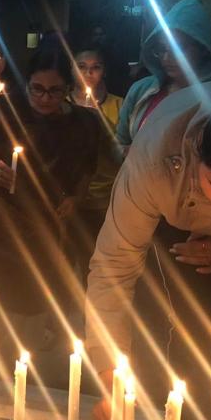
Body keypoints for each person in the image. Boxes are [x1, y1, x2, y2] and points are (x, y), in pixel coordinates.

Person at [87, 74, 211, 420]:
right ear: (197, 152)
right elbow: (114, 265)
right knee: (176, 347)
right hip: (179, 241)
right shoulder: (155, 160)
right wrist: (111, 380)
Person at [0, 42, 100, 346]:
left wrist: (75, 199)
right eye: (37, 89)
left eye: (54, 91)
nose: (45, 98)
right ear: (26, 82)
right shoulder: (2, 113)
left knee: (25, 321)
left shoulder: (82, 124)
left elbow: (86, 170)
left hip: (40, 233)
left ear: (68, 88)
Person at [116, 0, 211, 149]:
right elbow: (120, 142)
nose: (167, 58)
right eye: (162, 49)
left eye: (178, 48)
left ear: (202, 48)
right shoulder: (141, 91)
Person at [69, 47, 124, 284]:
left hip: (105, 197)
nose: (88, 73)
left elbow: (123, 153)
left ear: (104, 70)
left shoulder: (120, 105)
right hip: (67, 197)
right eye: (81, 67)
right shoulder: (60, 103)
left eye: (95, 67)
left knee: (97, 263)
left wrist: (100, 125)